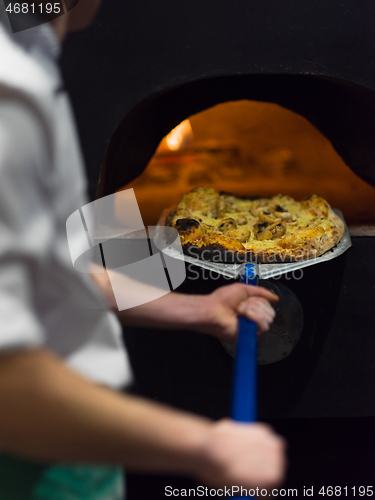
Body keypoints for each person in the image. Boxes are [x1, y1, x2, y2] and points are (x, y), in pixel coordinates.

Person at [0, 1, 287, 498]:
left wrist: (197, 309)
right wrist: (205, 446)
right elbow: (8, 383)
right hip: (36, 466)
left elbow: (51, 278)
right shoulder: (11, 95)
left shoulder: (30, 65)